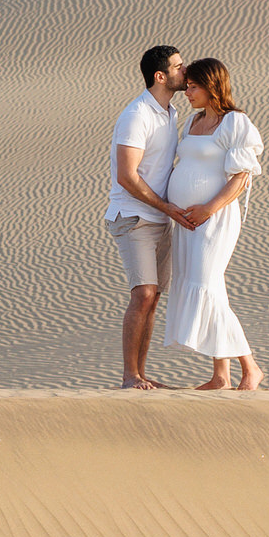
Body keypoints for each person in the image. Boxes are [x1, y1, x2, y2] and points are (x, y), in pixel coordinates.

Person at [158, 57, 269, 390]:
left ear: (212, 86)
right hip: (187, 221)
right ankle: (221, 375)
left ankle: (251, 368)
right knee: (208, 289)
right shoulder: (192, 122)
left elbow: (240, 178)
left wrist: (208, 208)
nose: (187, 92)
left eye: (193, 87)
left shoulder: (235, 123)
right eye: (187, 86)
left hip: (215, 218)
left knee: (207, 284)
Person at [107, 44, 189, 389]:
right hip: (133, 216)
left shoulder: (169, 112)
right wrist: (166, 206)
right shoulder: (137, 115)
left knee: (153, 297)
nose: (185, 71)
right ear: (161, 76)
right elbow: (127, 175)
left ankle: (141, 373)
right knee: (143, 294)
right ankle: (129, 376)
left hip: (159, 218)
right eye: (179, 66)